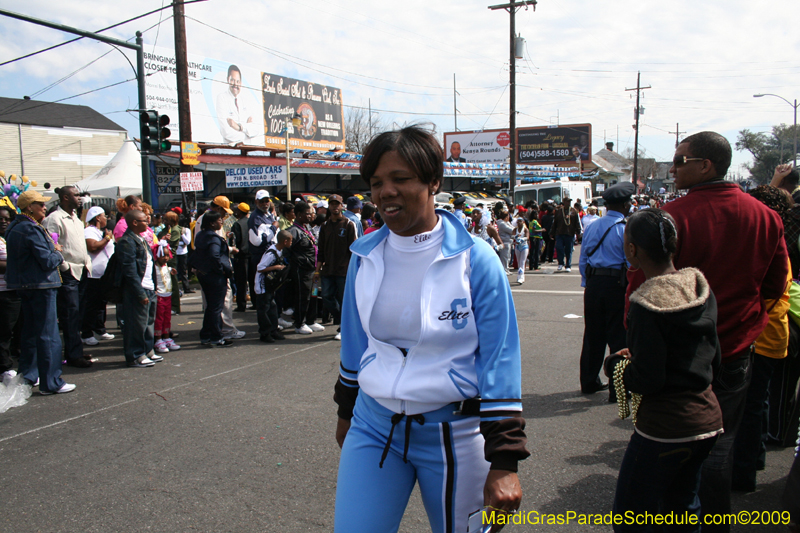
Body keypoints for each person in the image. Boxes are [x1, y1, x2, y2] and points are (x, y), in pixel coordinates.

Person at [333, 126, 528, 533]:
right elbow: (355, 343)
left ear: (433, 181)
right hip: (373, 425)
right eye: (376, 183)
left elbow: (500, 359)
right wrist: (346, 410)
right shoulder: (362, 255)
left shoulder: (477, 260)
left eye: (400, 179)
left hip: (455, 435)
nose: (386, 191)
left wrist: (505, 459)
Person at [626, 131, 789, 532]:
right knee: (718, 443)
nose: (674, 167)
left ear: (706, 165)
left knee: (670, 447)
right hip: (736, 346)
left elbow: (640, 287)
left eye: (680, 160)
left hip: (679, 353)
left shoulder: (673, 217)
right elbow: (776, 284)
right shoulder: (766, 217)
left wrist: (635, 343)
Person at [604, 208, 722, 532]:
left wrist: (619, 367)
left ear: (632, 250)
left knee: (631, 515)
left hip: (665, 428)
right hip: (708, 418)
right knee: (684, 507)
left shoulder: (646, 303)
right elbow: (714, 356)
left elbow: (649, 379)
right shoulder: (699, 287)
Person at [6, 190, 76, 394]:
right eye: (40, 204)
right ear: (29, 207)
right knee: (48, 334)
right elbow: (47, 261)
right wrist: (56, 251)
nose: (44, 207)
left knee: (30, 332)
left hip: (25, 285)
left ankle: (29, 375)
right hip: (41, 285)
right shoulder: (31, 228)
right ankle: (51, 381)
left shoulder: (14, 227)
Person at [578, 183, 633, 396]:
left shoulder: (592, 226)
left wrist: (587, 282)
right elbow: (629, 262)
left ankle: (589, 382)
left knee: (593, 335)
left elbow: (583, 259)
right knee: (618, 336)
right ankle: (617, 388)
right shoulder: (625, 228)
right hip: (616, 285)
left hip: (593, 285)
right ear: (624, 205)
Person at [43, 185, 92, 368]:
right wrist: (64, 267)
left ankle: (76, 349)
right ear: (65, 197)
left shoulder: (77, 219)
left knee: (78, 313)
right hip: (69, 271)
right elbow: (52, 245)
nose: (79, 198)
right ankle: (73, 354)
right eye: (75, 195)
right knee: (70, 314)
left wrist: (87, 262)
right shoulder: (54, 219)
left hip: (83, 269)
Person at [194, 196, 244, 340]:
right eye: (223, 214)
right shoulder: (210, 225)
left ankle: (212, 331)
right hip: (215, 270)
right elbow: (214, 251)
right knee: (220, 302)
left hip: (206, 269)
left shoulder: (204, 223)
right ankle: (223, 331)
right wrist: (223, 266)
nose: (223, 218)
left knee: (212, 304)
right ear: (217, 209)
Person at [115, 210, 160, 367]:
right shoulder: (127, 242)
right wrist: (139, 292)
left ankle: (148, 350)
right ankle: (135, 355)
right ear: (134, 222)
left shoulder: (140, 239)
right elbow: (129, 271)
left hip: (149, 286)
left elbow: (149, 264)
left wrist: (153, 286)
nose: (147, 223)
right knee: (136, 324)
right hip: (137, 289)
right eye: (144, 221)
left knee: (148, 322)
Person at [190, 211, 234, 347]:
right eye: (219, 220)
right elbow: (215, 256)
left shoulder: (200, 235)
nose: (221, 222)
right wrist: (220, 270)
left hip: (203, 274)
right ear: (212, 223)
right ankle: (216, 336)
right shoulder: (214, 238)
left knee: (210, 307)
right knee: (216, 308)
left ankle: (206, 335)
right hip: (214, 276)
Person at [317, 194, 357, 341]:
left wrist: (354, 270)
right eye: (332, 204)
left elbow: (354, 249)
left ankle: (343, 327)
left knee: (343, 299)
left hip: (343, 270)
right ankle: (342, 321)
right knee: (327, 297)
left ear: (342, 206)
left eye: (337, 204)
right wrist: (317, 269)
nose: (335, 207)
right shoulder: (325, 226)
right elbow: (320, 249)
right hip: (328, 269)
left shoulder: (348, 224)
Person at [287, 202, 323, 335]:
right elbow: (287, 251)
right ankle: (299, 323)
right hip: (302, 270)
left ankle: (311, 320)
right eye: (307, 213)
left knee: (313, 294)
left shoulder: (306, 228)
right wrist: (300, 262)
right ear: (299, 215)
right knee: (303, 296)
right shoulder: (293, 231)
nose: (310, 216)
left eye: (311, 213)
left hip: (313, 270)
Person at [81, 206, 115, 346]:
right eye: (103, 215)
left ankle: (100, 329)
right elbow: (93, 246)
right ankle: (86, 333)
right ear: (97, 218)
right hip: (93, 275)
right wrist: (107, 238)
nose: (106, 218)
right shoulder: (89, 231)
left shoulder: (98, 231)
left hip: (103, 274)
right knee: (92, 305)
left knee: (101, 304)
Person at [254, 230, 291, 343]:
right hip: (262, 285)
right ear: (285, 241)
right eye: (290, 241)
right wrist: (275, 267)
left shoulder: (279, 251)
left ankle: (273, 330)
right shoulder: (271, 253)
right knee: (264, 309)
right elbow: (260, 268)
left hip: (270, 286)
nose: (291, 243)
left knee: (272, 308)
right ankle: (265, 333)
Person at [0, 205, 21, 382]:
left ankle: (16, 357)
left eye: (7, 219)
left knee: (17, 327)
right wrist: (18, 262)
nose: (4, 222)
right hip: (3, 291)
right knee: (4, 330)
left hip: (16, 289)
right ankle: (4, 366)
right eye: (1, 219)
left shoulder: (8, 237)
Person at [215, 64, 261, 145]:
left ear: (241, 82)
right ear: (227, 80)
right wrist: (246, 133)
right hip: (229, 150)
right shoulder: (222, 98)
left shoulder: (247, 101)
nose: (235, 84)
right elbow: (225, 131)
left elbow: (256, 129)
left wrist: (239, 127)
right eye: (232, 80)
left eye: (238, 81)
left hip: (247, 150)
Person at [153, 241, 180, 354]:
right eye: (163, 255)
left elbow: (167, 271)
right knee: (159, 318)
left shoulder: (167, 267)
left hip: (167, 296)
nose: (165, 258)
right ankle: (158, 339)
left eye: (167, 255)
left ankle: (166, 337)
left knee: (167, 317)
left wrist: (172, 272)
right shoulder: (154, 268)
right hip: (159, 296)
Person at [551, 196, 581, 272]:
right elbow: (555, 223)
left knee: (568, 250)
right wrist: (552, 232)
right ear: (564, 202)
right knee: (559, 248)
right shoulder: (559, 211)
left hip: (569, 233)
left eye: (570, 201)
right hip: (560, 233)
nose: (569, 203)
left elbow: (577, 222)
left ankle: (568, 265)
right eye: (567, 201)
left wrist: (578, 232)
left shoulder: (574, 211)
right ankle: (560, 263)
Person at [232, 202, 251, 312]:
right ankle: (255, 302)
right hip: (252, 255)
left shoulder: (237, 224)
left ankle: (241, 304)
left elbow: (236, 240)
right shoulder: (252, 222)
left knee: (241, 282)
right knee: (253, 280)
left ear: (239, 211)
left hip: (241, 256)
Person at [495, 205, 514, 273]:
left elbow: (513, 228)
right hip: (504, 241)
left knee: (508, 256)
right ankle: (504, 269)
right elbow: (511, 230)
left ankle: (507, 268)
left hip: (509, 241)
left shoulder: (506, 222)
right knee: (504, 257)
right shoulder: (501, 223)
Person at [512, 217, 529, 284]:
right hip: (517, 247)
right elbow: (512, 236)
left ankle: (521, 277)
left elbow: (527, 237)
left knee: (522, 262)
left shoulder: (525, 229)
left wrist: (523, 239)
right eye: (518, 221)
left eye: (520, 221)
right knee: (519, 262)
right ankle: (519, 276)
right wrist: (515, 237)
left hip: (524, 246)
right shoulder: (515, 229)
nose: (519, 223)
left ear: (523, 222)